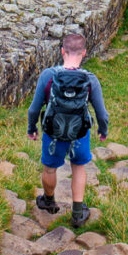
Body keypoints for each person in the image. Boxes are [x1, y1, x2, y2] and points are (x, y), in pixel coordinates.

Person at [27, 32, 108, 227]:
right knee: (78, 168)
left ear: (62, 51)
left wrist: (32, 128)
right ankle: (78, 213)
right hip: (79, 132)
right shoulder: (90, 79)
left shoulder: (48, 75)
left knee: (49, 168)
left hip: (52, 133)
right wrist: (102, 130)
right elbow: (102, 113)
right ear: (84, 52)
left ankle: (48, 200)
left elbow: (34, 109)